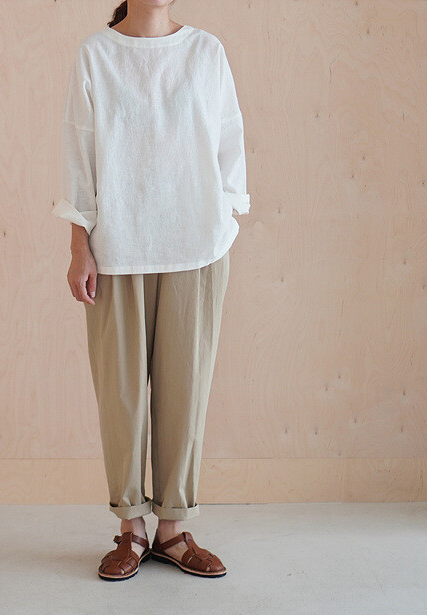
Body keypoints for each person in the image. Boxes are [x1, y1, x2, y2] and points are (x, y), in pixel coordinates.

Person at [51, 0, 250, 581]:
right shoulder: (96, 54)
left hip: (196, 248)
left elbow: (230, 141)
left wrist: (225, 219)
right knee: (121, 397)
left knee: (186, 393)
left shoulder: (206, 52)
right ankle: (131, 529)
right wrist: (79, 245)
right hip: (118, 249)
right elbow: (79, 154)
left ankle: (173, 530)